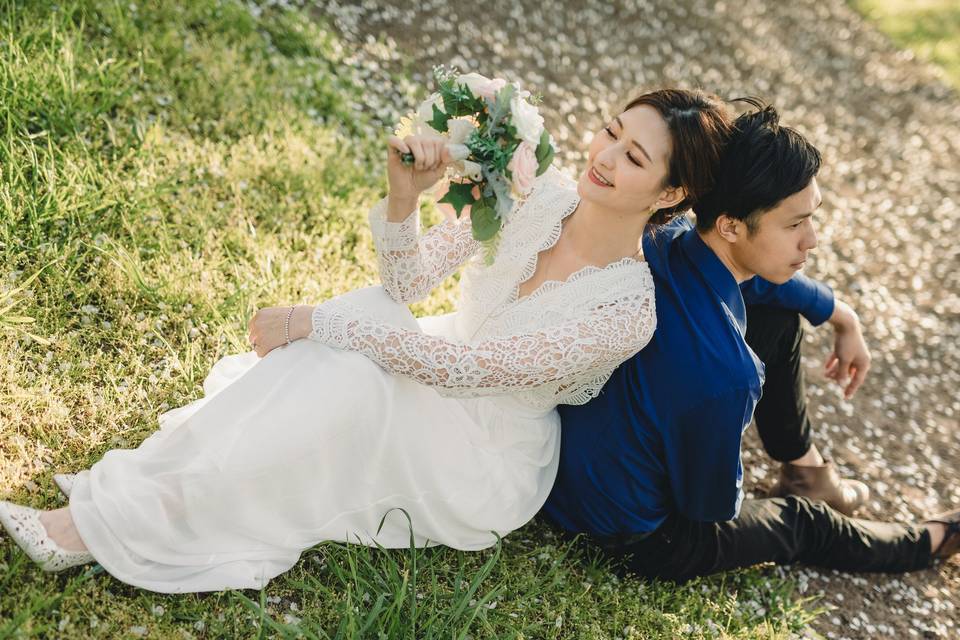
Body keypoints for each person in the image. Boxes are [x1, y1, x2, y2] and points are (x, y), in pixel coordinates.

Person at [0, 89, 734, 593]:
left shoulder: (627, 310)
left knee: (351, 351)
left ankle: (108, 525)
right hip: (432, 371)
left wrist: (318, 322)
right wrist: (403, 197)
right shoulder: (537, 199)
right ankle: (136, 501)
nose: (604, 155)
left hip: (486, 455)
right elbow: (409, 282)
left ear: (670, 196)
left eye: (635, 158)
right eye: (611, 130)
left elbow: (471, 371)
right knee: (370, 317)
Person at [542, 100, 960, 582]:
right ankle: (930, 539)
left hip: (571, 457)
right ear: (731, 226)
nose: (813, 241)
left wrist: (841, 315)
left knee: (782, 320)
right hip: (627, 529)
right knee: (804, 524)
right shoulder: (729, 375)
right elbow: (710, 507)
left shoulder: (659, 233)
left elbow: (757, 279)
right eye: (795, 224)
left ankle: (807, 470)